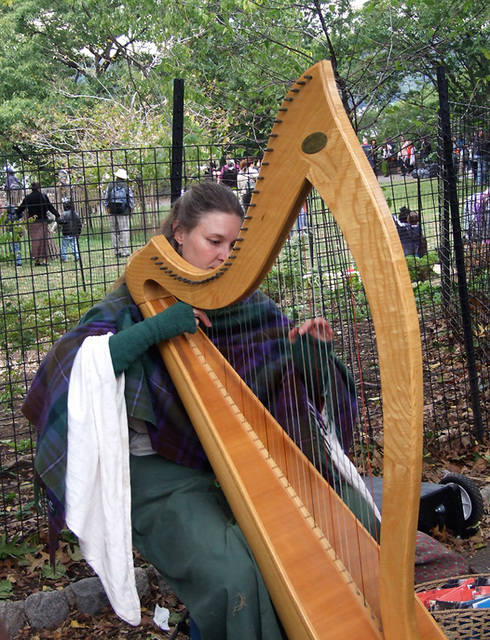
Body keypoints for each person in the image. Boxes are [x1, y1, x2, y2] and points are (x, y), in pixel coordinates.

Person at [22, 182, 376, 640]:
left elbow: (282, 380)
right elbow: (69, 370)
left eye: (235, 245)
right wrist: (155, 329)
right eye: (214, 242)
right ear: (177, 236)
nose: (225, 256)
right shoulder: (132, 302)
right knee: (233, 575)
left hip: (241, 459)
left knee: (354, 521)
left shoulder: (246, 305)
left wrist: (309, 357)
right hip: (157, 471)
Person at [15, 182, 59, 266]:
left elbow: (21, 209)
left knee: (35, 241)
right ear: (39, 188)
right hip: (43, 221)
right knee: (43, 241)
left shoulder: (28, 198)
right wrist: (57, 215)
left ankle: (36, 259)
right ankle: (44, 260)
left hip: (33, 222)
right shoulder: (43, 196)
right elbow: (50, 207)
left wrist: (14, 212)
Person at [104, 168, 134, 258]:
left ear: (116, 176)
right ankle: (125, 251)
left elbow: (106, 199)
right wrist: (130, 210)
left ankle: (116, 251)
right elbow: (131, 200)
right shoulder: (126, 186)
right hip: (124, 212)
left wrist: (108, 211)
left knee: (114, 231)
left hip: (113, 212)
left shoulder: (110, 185)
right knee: (124, 230)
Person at [59, 197, 82, 262]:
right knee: (74, 245)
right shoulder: (75, 214)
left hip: (66, 233)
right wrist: (79, 233)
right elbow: (79, 224)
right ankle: (77, 256)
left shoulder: (64, 214)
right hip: (74, 232)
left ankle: (64, 258)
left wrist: (58, 220)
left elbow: (61, 222)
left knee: (64, 246)